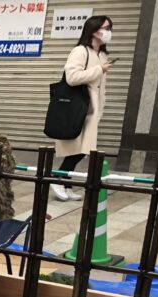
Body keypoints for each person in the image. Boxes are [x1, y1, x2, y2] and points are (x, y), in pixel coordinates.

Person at [51, 16, 113, 202]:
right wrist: (99, 70)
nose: (109, 31)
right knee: (77, 148)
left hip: (92, 108)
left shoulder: (101, 54)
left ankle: (66, 184)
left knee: (83, 148)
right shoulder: (80, 51)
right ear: (94, 30)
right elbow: (72, 77)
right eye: (106, 28)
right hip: (79, 107)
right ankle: (57, 178)